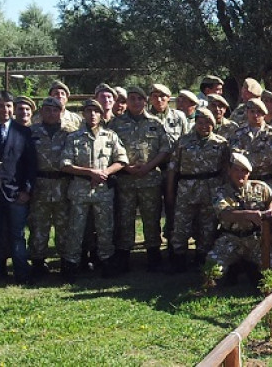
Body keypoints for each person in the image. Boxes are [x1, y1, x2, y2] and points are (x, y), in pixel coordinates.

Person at [60, 99, 128, 281]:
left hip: (103, 190)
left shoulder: (110, 136)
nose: (92, 114)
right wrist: (89, 172)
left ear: (100, 114)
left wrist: (105, 172)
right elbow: (65, 164)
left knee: (105, 228)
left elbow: (122, 159)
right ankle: (71, 265)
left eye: (96, 111)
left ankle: (106, 262)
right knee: (75, 229)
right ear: (83, 113)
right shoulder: (73, 138)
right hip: (80, 190)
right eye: (88, 111)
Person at [110, 87, 172, 273]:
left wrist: (149, 166)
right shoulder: (116, 123)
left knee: (151, 217)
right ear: (126, 101)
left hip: (150, 179)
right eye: (132, 98)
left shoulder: (155, 123)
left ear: (145, 101)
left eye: (139, 99)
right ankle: (123, 256)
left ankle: (153, 255)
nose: (136, 102)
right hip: (125, 180)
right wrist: (125, 167)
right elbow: (109, 149)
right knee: (125, 218)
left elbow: (164, 148)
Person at [0, 91, 36, 285]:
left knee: (17, 235)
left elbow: (30, 164)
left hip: (16, 193)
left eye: (9, 106)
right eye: (1, 106)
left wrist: (26, 190)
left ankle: (22, 274)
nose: (6, 110)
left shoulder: (23, 131)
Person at [166, 108, 229, 271]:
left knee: (207, 227)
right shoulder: (183, 142)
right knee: (181, 226)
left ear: (214, 124)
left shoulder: (221, 143)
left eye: (208, 123)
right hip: (187, 189)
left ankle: (202, 259)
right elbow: (173, 168)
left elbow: (225, 169)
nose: (204, 126)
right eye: (200, 122)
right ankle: (178, 259)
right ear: (195, 123)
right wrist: (170, 191)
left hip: (211, 190)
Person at [205, 152, 272, 285]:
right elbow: (224, 214)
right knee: (212, 270)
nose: (240, 174)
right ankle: (235, 268)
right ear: (229, 171)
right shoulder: (221, 191)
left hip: (255, 239)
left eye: (244, 171)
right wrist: (248, 214)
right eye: (236, 169)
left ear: (249, 173)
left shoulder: (260, 187)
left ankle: (248, 268)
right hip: (230, 239)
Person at [27, 97, 72, 282]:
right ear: (41, 112)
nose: (51, 113)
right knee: (38, 225)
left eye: (55, 110)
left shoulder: (70, 133)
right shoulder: (31, 132)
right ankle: (38, 262)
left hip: (63, 184)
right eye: (47, 110)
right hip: (40, 184)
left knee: (64, 225)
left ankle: (64, 261)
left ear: (61, 111)